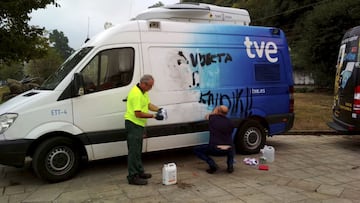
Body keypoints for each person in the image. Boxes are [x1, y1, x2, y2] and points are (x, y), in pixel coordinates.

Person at [124, 74, 165, 185]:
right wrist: (154, 116)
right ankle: (132, 176)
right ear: (143, 84)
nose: (151, 88)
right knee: (133, 151)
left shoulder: (143, 92)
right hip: (133, 124)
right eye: (150, 86)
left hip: (139, 125)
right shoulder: (136, 94)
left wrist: (159, 109)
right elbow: (138, 114)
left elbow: (147, 104)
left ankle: (139, 172)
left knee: (138, 150)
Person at [194, 105, 235, 174]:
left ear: (218, 111)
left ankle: (212, 164)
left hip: (215, 149)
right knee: (232, 147)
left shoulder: (213, 118)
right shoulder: (230, 122)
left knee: (196, 149)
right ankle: (230, 166)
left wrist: (214, 112)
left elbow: (207, 116)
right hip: (228, 149)